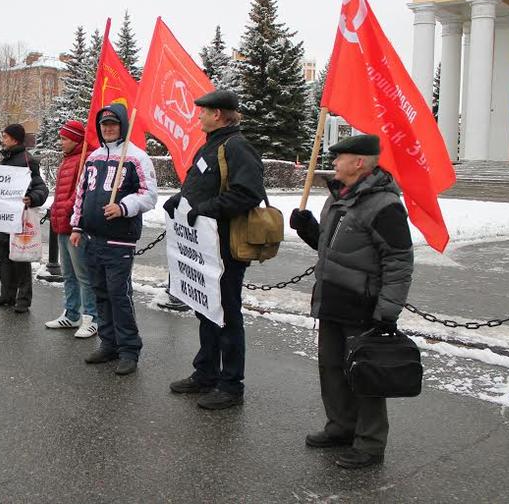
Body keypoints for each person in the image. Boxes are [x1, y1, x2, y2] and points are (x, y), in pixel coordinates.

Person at [288, 133, 414, 470]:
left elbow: (399, 261)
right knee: (331, 368)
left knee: (364, 374)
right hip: (332, 299)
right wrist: (307, 229)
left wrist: (387, 311)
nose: (334, 162)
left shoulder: (384, 205)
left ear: (359, 162)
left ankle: (370, 443)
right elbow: (333, 250)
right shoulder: (338, 197)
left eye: (340, 157)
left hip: (363, 305)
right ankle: (341, 427)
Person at [163, 90, 265, 410]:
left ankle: (231, 385)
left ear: (218, 114)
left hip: (226, 248)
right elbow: (201, 186)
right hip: (204, 248)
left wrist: (206, 209)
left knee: (227, 315)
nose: (198, 116)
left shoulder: (237, 146)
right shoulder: (211, 146)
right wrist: (181, 200)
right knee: (205, 308)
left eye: (202, 112)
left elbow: (248, 192)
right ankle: (205, 373)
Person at [70, 103, 157, 375]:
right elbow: (81, 195)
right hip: (92, 239)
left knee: (119, 295)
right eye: (104, 124)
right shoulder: (93, 157)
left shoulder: (137, 157)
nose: (107, 128)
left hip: (120, 240)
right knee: (101, 294)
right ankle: (109, 344)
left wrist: (123, 207)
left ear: (122, 126)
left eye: (113, 124)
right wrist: (77, 226)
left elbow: (149, 195)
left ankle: (129, 349)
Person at [0, 124, 48, 313]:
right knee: (3, 259)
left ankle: (23, 298)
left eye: (5, 136)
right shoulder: (6, 159)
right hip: (3, 220)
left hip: (19, 219)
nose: (2, 139)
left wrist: (32, 198)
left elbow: (41, 188)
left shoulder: (28, 161)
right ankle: (7, 295)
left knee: (20, 260)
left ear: (14, 139)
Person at [44, 119, 98, 338]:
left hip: (76, 225)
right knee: (68, 274)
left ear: (76, 139)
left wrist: (65, 208)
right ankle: (72, 313)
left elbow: (81, 191)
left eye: (65, 138)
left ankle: (91, 317)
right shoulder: (68, 159)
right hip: (62, 222)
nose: (61, 142)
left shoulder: (86, 157)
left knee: (83, 274)